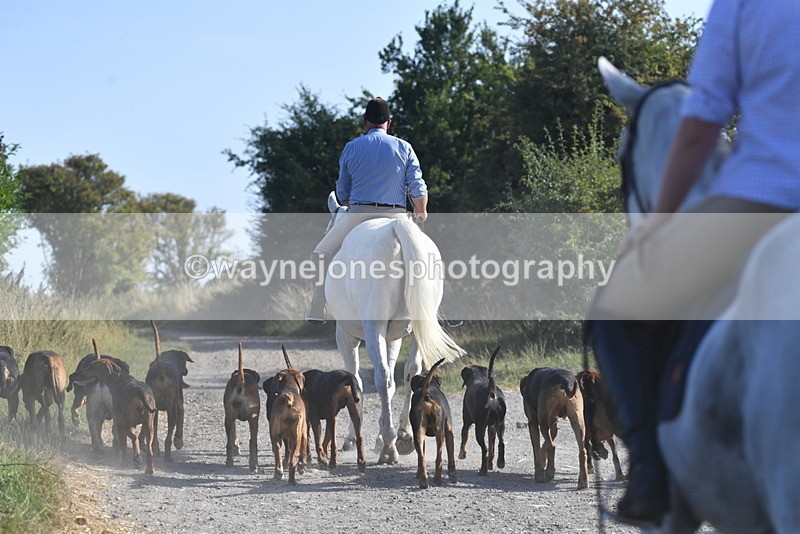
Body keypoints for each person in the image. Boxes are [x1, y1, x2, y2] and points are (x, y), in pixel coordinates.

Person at [589, 0, 800, 525]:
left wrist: (656, 228)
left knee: (613, 308)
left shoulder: (745, 6)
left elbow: (698, 127)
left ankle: (651, 478)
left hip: (767, 197)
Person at [305, 97, 429, 324]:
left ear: (365, 122)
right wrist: (421, 211)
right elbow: (418, 189)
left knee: (320, 253)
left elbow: (342, 194)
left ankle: (317, 304)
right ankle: (436, 310)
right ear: (389, 124)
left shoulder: (352, 147)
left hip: (358, 214)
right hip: (398, 215)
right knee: (429, 255)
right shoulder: (404, 147)